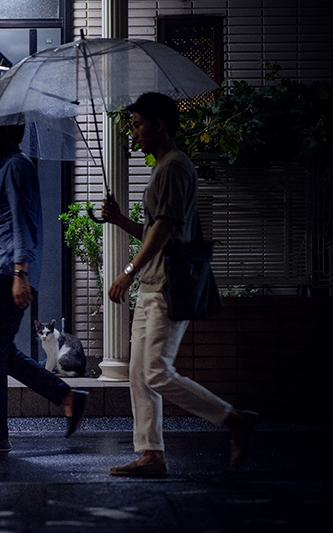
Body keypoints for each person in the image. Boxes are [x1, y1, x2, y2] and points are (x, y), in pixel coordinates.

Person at [102, 92, 258, 476]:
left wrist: (128, 270)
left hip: (168, 284)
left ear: (159, 125)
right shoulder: (163, 168)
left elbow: (167, 229)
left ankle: (233, 418)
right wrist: (120, 220)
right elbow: (157, 229)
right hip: (156, 282)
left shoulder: (173, 167)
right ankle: (151, 454)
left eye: (138, 124)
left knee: (154, 371)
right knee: (139, 374)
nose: (134, 132)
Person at [0, 124, 89, 452]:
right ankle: (65, 397)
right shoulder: (9, 168)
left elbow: (24, 223)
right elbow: (6, 221)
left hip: (6, 272)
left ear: (9, 132)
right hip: (3, 271)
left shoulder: (16, 166)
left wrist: (20, 272)